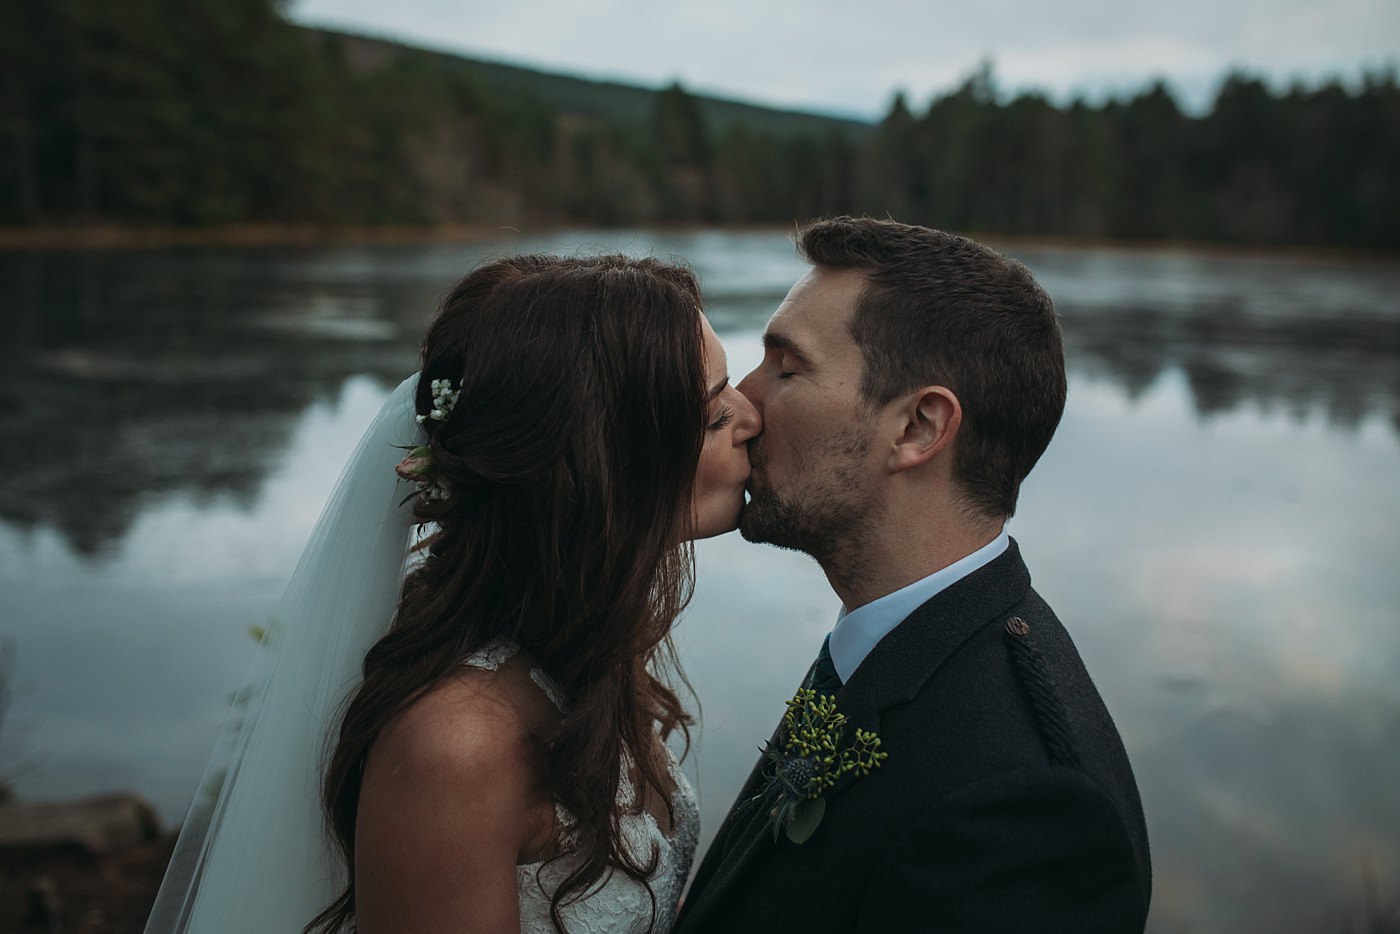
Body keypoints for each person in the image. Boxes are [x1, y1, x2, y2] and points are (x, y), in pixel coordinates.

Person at [145, 254, 760, 933]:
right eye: (711, 414)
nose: (751, 418)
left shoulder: (576, 653)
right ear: (604, 465)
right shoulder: (458, 746)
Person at [675, 217, 1152, 933]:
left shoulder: (1029, 813)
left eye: (787, 366)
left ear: (918, 428)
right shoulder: (892, 646)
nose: (741, 400)